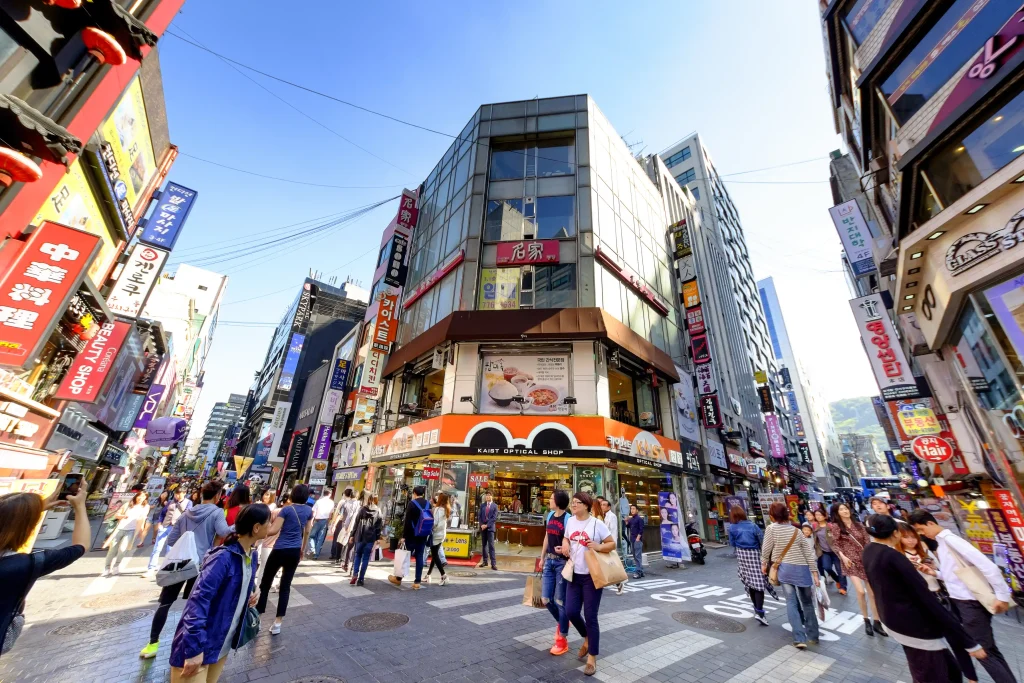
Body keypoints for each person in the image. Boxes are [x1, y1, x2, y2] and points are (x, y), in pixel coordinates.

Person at [864, 514, 986, 683]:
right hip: (916, 629)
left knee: (949, 670)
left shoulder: (869, 550)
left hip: (894, 621)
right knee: (930, 674)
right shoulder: (895, 557)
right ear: (895, 533)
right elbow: (927, 599)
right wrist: (968, 642)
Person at [911, 509, 1017, 683]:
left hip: (970, 603)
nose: (923, 535)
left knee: (983, 652)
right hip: (962, 601)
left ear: (930, 523)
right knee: (989, 650)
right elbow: (955, 575)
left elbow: (988, 567)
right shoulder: (943, 543)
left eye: (922, 530)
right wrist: (934, 573)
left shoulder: (952, 541)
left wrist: (1002, 595)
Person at [169, 504, 270, 683]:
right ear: (256, 528)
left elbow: (242, 587)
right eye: (268, 523)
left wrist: (253, 592)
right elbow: (197, 602)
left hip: (221, 643)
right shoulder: (222, 558)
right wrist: (193, 649)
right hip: (198, 645)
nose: (271, 527)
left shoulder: (251, 556)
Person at [141, 480, 233, 660]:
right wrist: (239, 525)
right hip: (200, 564)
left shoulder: (186, 513)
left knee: (165, 604)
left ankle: (152, 643)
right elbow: (223, 532)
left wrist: (187, 543)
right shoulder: (216, 512)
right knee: (196, 605)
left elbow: (171, 540)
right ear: (217, 496)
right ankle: (187, 643)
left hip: (179, 563)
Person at [0, 487, 89, 655]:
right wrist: (79, 507)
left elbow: (7, 520)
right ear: (28, 528)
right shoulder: (26, 564)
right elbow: (81, 545)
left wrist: (31, 509)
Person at [559, 492, 616, 677]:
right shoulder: (570, 522)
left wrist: (598, 546)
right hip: (574, 575)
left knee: (591, 616)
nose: (573, 505)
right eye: (572, 503)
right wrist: (565, 544)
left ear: (586, 505)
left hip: (592, 577)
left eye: (576, 503)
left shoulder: (596, 524)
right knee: (571, 611)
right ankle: (587, 639)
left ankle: (592, 658)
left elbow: (611, 544)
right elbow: (566, 537)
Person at [761, 502, 820, 649]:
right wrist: (815, 573)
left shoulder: (771, 529)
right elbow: (807, 552)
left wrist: (763, 564)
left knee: (791, 602)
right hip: (802, 570)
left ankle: (799, 638)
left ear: (773, 515)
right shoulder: (797, 531)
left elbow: (766, 548)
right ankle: (813, 636)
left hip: (785, 570)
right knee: (807, 603)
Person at [256, 484, 313, 635]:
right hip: (294, 551)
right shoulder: (309, 511)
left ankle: (258, 618)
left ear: (292, 495)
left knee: (265, 583)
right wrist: (302, 548)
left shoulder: (286, 510)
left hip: (279, 549)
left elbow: (274, 530)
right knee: (285, 586)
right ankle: (278, 623)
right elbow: (307, 531)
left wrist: (261, 530)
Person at [829, 501, 885, 637]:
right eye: (841, 509)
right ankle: (866, 620)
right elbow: (835, 545)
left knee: (872, 593)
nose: (845, 511)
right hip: (850, 562)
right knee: (860, 592)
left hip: (865, 560)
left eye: (846, 508)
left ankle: (877, 622)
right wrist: (843, 557)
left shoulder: (859, 525)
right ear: (837, 513)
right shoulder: (836, 527)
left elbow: (867, 542)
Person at [727, 506, 769, 626]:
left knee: (750, 581)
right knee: (759, 583)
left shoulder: (732, 527)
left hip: (741, 555)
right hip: (754, 554)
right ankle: (760, 612)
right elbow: (761, 540)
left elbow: (732, 543)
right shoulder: (753, 526)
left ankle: (756, 609)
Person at [541, 490, 570, 656]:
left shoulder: (567, 519)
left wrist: (565, 550)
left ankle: (562, 639)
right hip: (549, 561)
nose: (549, 501)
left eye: (551, 498)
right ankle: (563, 621)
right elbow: (546, 536)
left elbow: (569, 542)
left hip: (561, 563)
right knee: (546, 599)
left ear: (558, 501)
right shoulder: (550, 514)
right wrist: (542, 556)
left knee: (560, 600)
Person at [388, 485, 432, 589]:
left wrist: (404, 536)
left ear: (415, 493)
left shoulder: (412, 504)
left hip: (412, 534)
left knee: (405, 556)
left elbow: (407, 521)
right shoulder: (428, 504)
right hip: (423, 534)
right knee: (420, 557)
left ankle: (398, 579)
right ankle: (417, 582)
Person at [145, 488, 193, 578]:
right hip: (165, 526)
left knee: (170, 549)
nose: (177, 496)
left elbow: (187, 514)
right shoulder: (170, 502)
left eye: (179, 494)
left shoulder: (188, 502)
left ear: (184, 493)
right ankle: (151, 568)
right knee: (157, 548)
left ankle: (166, 569)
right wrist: (160, 523)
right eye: (176, 494)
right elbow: (163, 513)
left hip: (176, 528)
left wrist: (179, 504)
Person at [102, 490, 150, 576]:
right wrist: (123, 516)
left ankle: (116, 566)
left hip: (131, 530)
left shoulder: (146, 507)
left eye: (143, 497)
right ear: (136, 496)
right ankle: (107, 568)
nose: (141, 498)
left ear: (145, 498)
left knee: (123, 549)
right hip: (120, 529)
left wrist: (141, 532)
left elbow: (143, 520)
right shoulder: (128, 504)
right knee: (112, 549)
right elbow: (117, 515)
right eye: (139, 496)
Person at [349, 494, 383, 586]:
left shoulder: (363, 509)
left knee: (358, 555)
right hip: (370, 537)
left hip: (360, 535)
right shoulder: (378, 511)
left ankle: (355, 574)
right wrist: (377, 538)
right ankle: (361, 579)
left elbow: (356, 522)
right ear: (376, 500)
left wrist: (352, 535)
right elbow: (379, 527)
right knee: (366, 558)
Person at [812, 508, 846, 596]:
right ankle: (837, 580)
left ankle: (843, 587)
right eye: (816, 515)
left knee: (840, 569)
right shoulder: (815, 526)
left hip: (835, 551)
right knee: (827, 567)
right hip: (824, 552)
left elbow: (838, 538)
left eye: (820, 515)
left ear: (825, 516)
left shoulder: (831, 526)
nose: (818, 517)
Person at [254, 492, 280, 591]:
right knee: (258, 559)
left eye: (268, 495)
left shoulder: (273, 508)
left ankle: (261, 585)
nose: (265, 496)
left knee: (263, 562)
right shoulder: (261, 505)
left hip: (266, 538)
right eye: (265, 494)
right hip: (259, 537)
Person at [598, 498, 624, 595]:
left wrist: (611, 545)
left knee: (610, 565)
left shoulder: (612, 516)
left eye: (604, 505)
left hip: (608, 544)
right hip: (603, 544)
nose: (602, 506)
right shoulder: (603, 516)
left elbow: (613, 531)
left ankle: (619, 583)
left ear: (609, 507)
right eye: (601, 505)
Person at [330, 488, 359, 570]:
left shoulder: (345, 503)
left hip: (343, 524)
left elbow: (340, 514)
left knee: (339, 541)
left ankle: (337, 557)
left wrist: (334, 524)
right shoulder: (358, 504)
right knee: (347, 543)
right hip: (352, 526)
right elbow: (355, 517)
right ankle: (344, 559)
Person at [426, 492, 451, 585]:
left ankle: (443, 575)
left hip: (436, 534)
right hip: (442, 534)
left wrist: (430, 528)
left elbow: (435, 523)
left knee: (435, 555)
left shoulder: (437, 509)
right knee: (435, 554)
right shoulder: (446, 509)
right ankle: (428, 575)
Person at [308, 488, 333, 560]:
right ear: (329, 494)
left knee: (312, 536)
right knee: (320, 538)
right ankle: (316, 555)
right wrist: (328, 522)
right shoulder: (331, 502)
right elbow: (330, 514)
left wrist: (312, 521)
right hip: (325, 521)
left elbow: (314, 512)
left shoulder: (318, 501)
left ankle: (312, 549)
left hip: (317, 520)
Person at [477, 491, 498, 570]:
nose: (487, 497)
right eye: (486, 496)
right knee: (484, 545)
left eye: (489, 495)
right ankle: (485, 561)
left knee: (491, 546)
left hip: (490, 528)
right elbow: (479, 516)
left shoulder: (495, 506)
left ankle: (493, 563)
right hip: (483, 528)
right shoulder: (482, 505)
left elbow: (494, 518)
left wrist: (487, 525)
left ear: (492, 497)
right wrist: (481, 524)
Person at [626, 504, 645, 578]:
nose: (632, 510)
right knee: (635, 555)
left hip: (637, 540)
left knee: (637, 556)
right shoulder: (631, 519)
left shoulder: (639, 519)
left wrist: (638, 538)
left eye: (634, 509)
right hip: (632, 539)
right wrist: (626, 521)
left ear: (637, 510)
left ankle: (638, 572)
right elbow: (628, 527)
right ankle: (641, 571)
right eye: (631, 509)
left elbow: (641, 529)